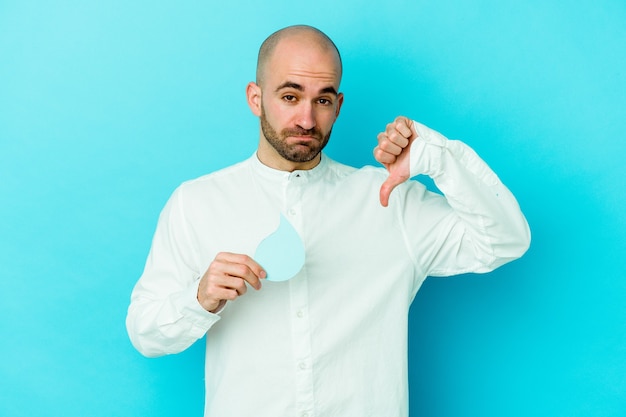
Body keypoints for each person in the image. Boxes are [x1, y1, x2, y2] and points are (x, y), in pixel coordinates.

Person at [126, 25, 530, 417]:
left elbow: (506, 241)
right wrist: (199, 298)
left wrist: (438, 160)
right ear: (255, 98)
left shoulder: (390, 200)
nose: (306, 119)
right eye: (289, 96)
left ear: (337, 106)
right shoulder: (196, 203)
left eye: (322, 100)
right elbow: (145, 333)